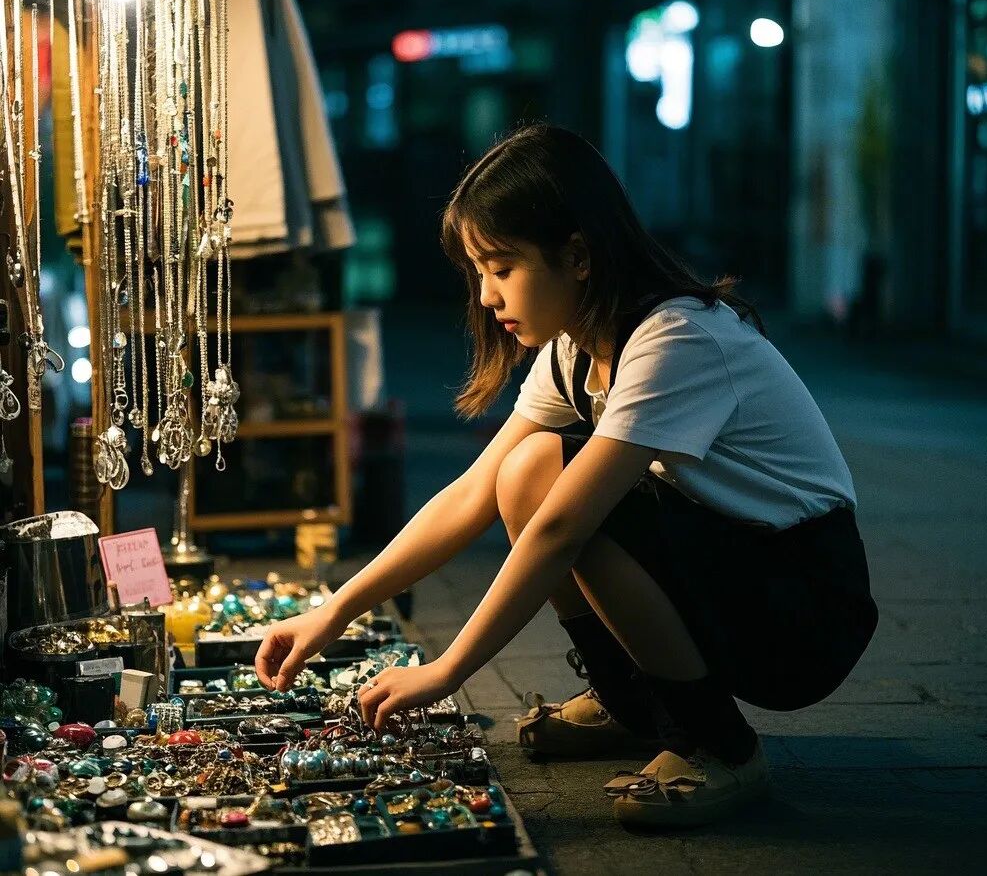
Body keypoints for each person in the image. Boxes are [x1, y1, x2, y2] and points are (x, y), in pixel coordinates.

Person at [255, 124, 878, 828]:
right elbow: (471, 496)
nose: (488, 296)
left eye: (503, 267)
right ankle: (631, 705)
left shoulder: (677, 338)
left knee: (571, 498)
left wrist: (448, 670)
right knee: (523, 473)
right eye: (478, 273)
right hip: (731, 567)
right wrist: (335, 610)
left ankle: (721, 747)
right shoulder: (574, 351)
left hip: (803, 606)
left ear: (577, 255)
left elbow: (559, 530)